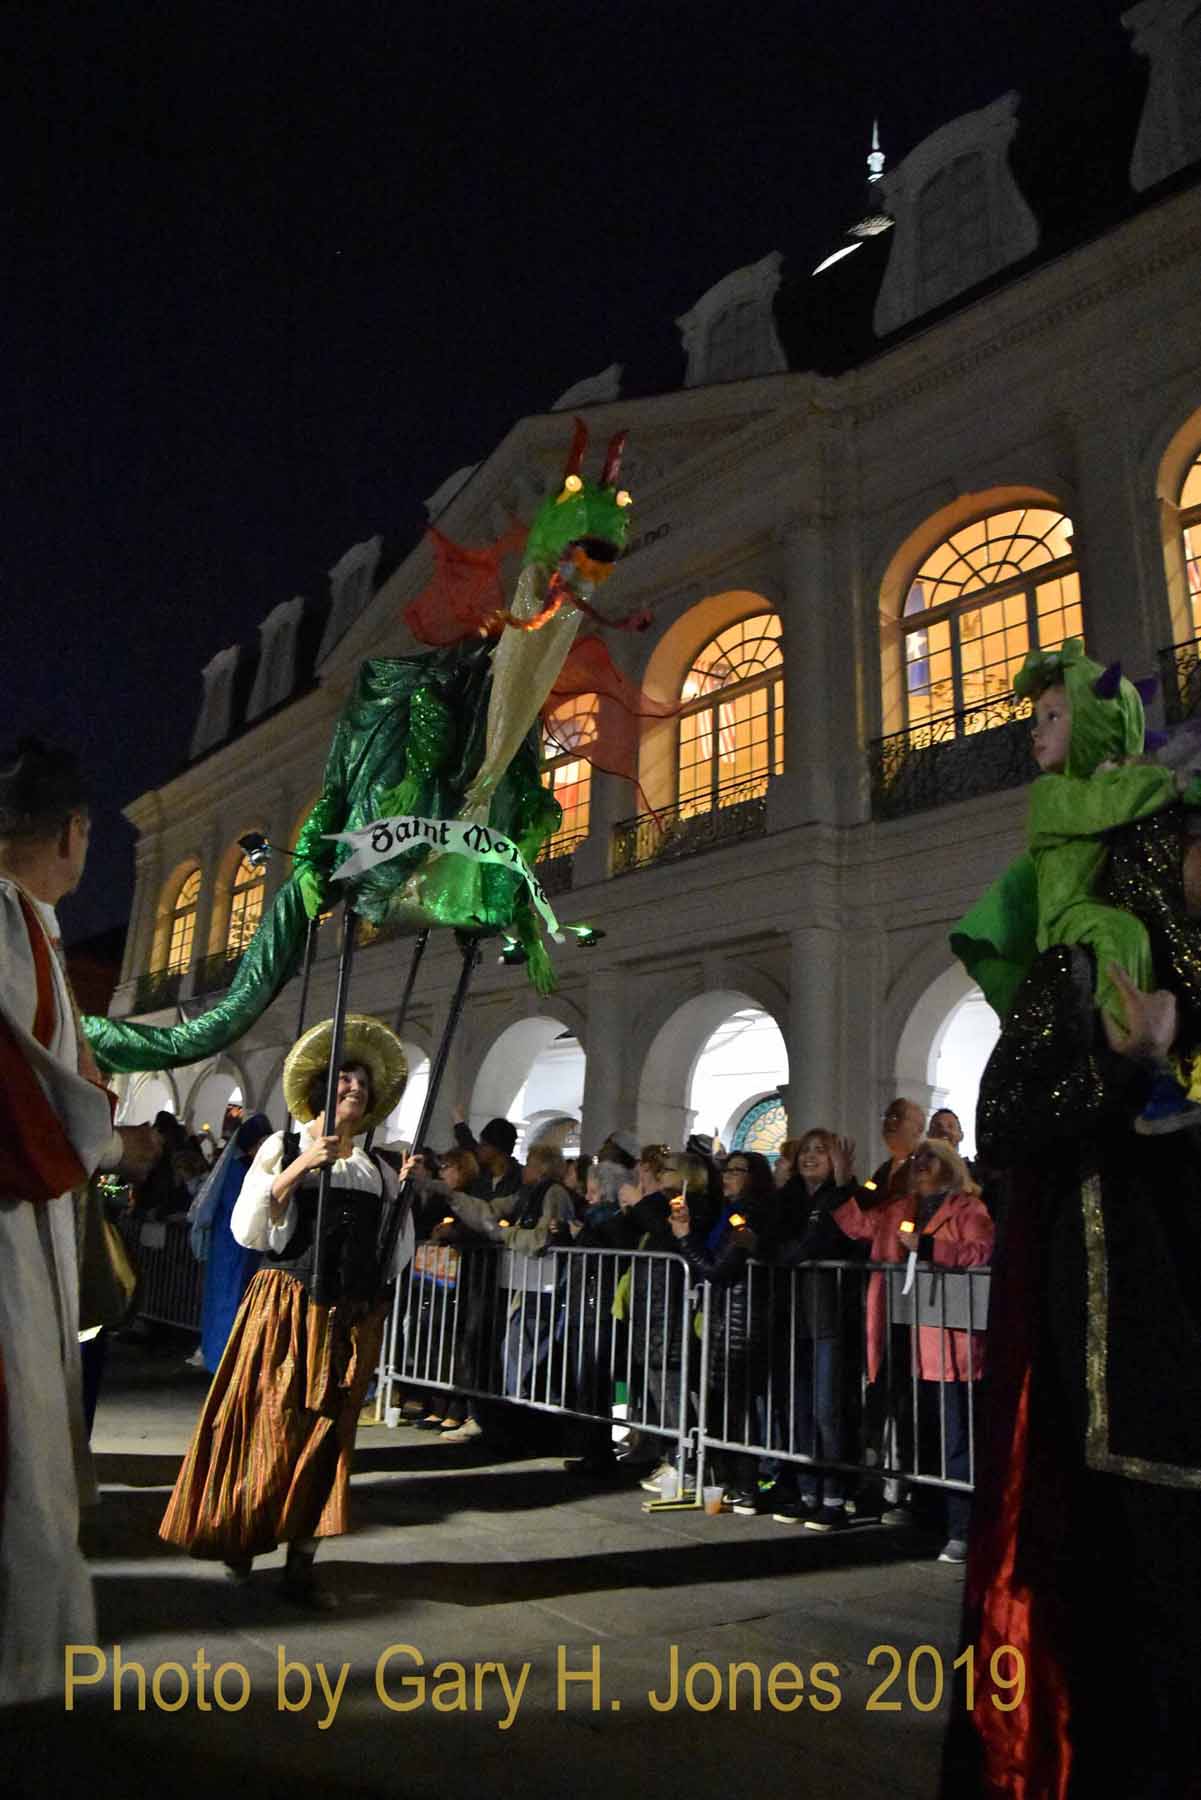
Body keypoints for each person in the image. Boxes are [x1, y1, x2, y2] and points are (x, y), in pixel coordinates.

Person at [944, 794, 1201, 1795]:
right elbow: (1003, 1122)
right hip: (1122, 1343)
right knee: (1139, 1610)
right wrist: (1125, 1061)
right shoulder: (1083, 968)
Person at [0, 737, 160, 1700]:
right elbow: (24, 1083)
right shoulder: (10, 921)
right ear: (73, 832)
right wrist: (110, 1140)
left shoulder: (35, 927)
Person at [159, 1013, 410, 1604]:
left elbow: (394, 1251)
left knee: (330, 1436)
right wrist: (298, 1169)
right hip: (287, 1305)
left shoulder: (379, 1170)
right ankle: (244, 1531)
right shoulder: (284, 1145)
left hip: (348, 1317)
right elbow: (251, 1229)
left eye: (362, 1085)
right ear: (323, 1091)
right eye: (343, 1081)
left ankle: (303, 1558)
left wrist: (402, 1202)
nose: (354, 1089)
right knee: (270, 1420)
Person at [833, 1137, 992, 1552]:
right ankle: (925, 1511)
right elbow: (852, 1222)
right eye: (916, 1159)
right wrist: (860, 1181)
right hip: (899, 1332)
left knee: (954, 1432)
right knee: (915, 1429)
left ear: (950, 1165)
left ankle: (961, 1528)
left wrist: (930, 1247)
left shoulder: (968, 1207)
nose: (920, 1164)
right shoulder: (898, 1208)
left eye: (930, 1158)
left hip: (945, 1338)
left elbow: (981, 1252)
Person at [668, 1150, 778, 1512]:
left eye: (737, 1170)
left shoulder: (747, 1213)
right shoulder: (729, 1211)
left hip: (741, 1316)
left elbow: (718, 1268)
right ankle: (733, 1479)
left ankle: (746, 1482)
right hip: (726, 1315)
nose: (728, 1176)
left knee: (737, 1403)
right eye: (726, 1170)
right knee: (726, 1400)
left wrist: (684, 1238)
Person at [771, 1128, 861, 1530]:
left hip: (828, 1313)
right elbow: (768, 1238)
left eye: (819, 1151)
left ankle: (835, 1495)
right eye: (805, 1150)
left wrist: (844, 1182)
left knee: (827, 1409)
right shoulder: (789, 1198)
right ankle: (808, 1491)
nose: (809, 1156)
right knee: (800, 1408)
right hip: (792, 1312)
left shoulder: (840, 1196)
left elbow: (840, 1237)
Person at [189, 1112, 274, 1372]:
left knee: (236, 1301)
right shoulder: (237, 1170)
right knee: (227, 1302)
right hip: (230, 1248)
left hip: (240, 1249)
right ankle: (222, 1358)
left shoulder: (247, 1167)